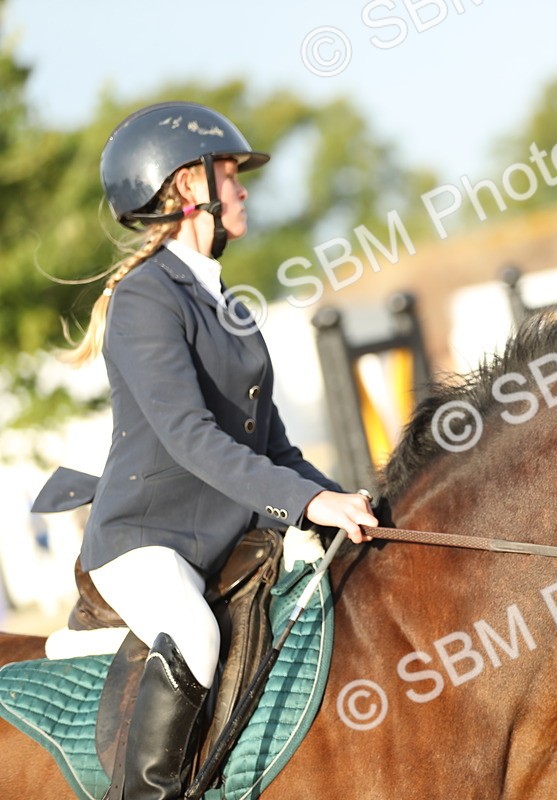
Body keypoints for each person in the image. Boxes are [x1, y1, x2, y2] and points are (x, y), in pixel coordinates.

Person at [51, 101, 378, 800]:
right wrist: (306, 503)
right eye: (230, 174)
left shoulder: (222, 301)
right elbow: (190, 437)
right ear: (190, 187)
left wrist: (342, 501)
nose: (242, 188)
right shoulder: (146, 300)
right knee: (194, 633)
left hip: (228, 534)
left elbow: (275, 444)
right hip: (146, 541)